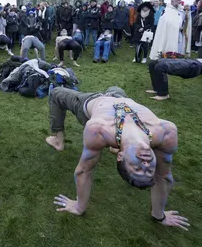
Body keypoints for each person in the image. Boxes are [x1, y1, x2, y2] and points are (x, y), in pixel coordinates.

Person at [47, 87, 189, 231]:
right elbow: (163, 176)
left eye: (137, 168)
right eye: (149, 169)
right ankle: (117, 145)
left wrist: (79, 207)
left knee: (56, 93)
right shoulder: (166, 132)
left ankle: (58, 141)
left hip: (92, 101)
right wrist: (159, 215)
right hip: (119, 95)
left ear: (121, 157)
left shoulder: (99, 129)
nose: (145, 163)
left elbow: (84, 171)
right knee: (116, 87)